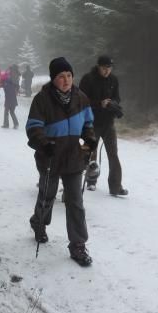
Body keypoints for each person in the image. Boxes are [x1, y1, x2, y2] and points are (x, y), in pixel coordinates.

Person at [26, 57, 97, 267]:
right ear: (53, 78)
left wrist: (90, 138)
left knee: (75, 202)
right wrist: (44, 143)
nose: (66, 80)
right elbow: (33, 126)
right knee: (47, 196)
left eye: (68, 75)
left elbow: (88, 122)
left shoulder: (81, 97)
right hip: (50, 156)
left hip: (74, 156)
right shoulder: (42, 99)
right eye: (60, 77)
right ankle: (38, 222)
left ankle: (78, 245)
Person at [78, 54, 127, 196]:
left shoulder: (114, 79)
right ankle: (91, 181)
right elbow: (81, 100)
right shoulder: (88, 79)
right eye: (105, 68)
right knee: (89, 152)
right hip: (91, 122)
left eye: (110, 68)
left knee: (113, 155)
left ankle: (116, 187)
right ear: (98, 66)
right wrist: (100, 103)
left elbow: (117, 97)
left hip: (108, 122)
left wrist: (113, 103)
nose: (107, 71)